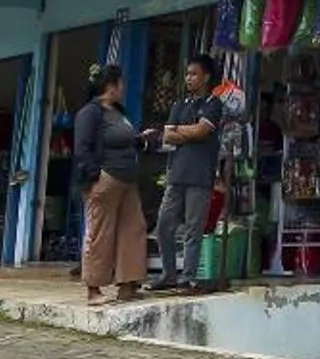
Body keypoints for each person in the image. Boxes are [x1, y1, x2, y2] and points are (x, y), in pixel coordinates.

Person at [148, 52, 227, 293]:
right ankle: (169, 274)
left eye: (194, 74)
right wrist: (188, 131)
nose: (188, 78)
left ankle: (188, 277)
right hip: (176, 175)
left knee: (194, 229)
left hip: (200, 176)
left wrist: (180, 131)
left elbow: (201, 131)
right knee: (164, 225)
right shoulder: (179, 105)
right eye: (187, 74)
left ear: (206, 77)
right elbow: (168, 135)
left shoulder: (213, 104)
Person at [72, 64, 148, 303]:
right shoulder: (90, 113)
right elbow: (82, 148)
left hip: (127, 180)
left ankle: (128, 284)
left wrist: (140, 140)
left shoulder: (118, 112)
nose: (123, 88)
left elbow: (122, 139)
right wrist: (96, 175)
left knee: (133, 229)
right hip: (106, 179)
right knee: (100, 233)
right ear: (111, 86)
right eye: (121, 83)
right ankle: (93, 289)